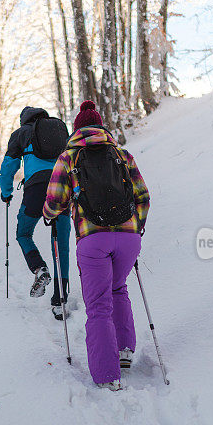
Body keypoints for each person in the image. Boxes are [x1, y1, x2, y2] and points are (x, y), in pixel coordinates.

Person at [43, 101, 150, 390]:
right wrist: (136, 227)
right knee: (118, 287)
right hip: (128, 238)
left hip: (93, 239)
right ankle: (125, 351)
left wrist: (48, 215)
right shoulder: (122, 154)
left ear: (77, 130)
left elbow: (54, 201)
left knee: (98, 306)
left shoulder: (69, 157)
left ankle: (106, 375)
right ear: (102, 127)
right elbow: (142, 196)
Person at [0, 107, 71, 319]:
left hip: (36, 188)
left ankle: (39, 268)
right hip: (61, 187)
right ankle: (60, 298)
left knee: (23, 233)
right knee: (61, 242)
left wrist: (6, 193)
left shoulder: (21, 134)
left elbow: (8, 167)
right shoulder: (58, 129)